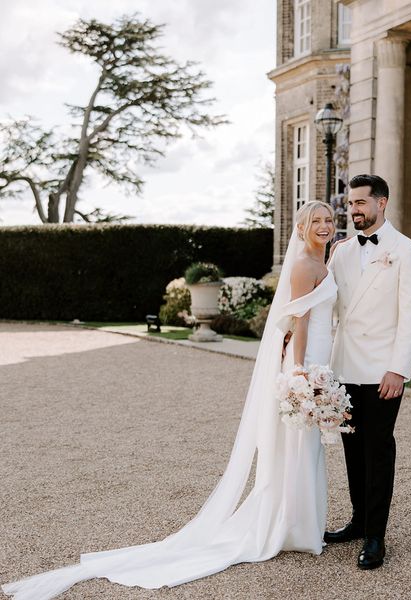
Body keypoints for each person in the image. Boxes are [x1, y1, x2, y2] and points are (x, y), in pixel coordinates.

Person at [2, 201, 339, 600]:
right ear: (301, 228)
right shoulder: (303, 266)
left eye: (328, 219)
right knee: (299, 445)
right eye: (315, 220)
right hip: (307, 362)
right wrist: (299, 371)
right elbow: (298, 322)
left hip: (322, 357)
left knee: (307, 445)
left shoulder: (327, 261)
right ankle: (294, 527)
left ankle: (302, 523)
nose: (324, 225)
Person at [324, 174, 411, 570]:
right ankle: (357, 521)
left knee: (378, 449)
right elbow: (325, 302)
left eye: (361, 203)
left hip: (383, 370)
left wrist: (398, 369)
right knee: (352, 448)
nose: (353, 211)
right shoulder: (342, 251)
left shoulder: (407, 251)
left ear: (382, 203)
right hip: (344, 366)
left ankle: (376, 536)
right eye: (350, 204)